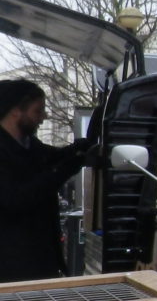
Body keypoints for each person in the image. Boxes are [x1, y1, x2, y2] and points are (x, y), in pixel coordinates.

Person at [0, 80, 93, 283]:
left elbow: (52, 157)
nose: (44, 117)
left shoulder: (29, 145)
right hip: (12, 266)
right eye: (38, 110)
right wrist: (67, 166)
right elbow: (15, 199)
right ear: (16, 111)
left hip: (41, 258)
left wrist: (82, 149)